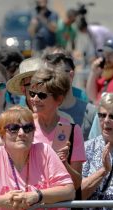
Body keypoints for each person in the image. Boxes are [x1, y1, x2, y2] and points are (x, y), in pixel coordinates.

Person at [28, 68, 85, 197]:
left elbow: (77, 183)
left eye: (42, 95)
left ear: (58, 99)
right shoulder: (24, 126)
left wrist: (63, 162)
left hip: (60, 208)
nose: (35, 99)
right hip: (31, 206)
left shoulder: (72, 130)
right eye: (32, 94)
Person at [86, 38, 113, 103]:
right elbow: (92, 97)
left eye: (110, 54)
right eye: (104, 54)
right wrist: (93, 73)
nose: (106, 58)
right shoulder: (107, 77)